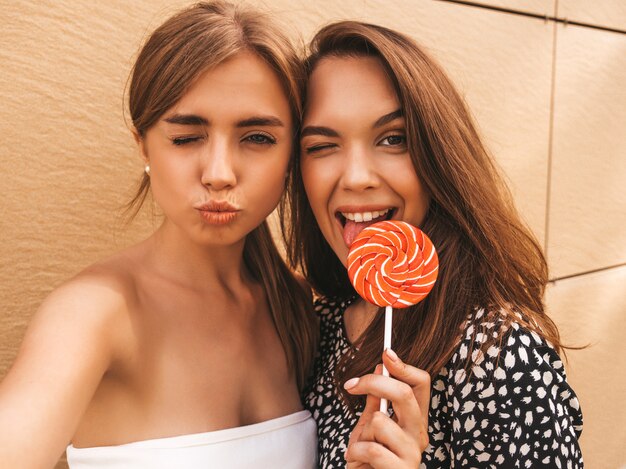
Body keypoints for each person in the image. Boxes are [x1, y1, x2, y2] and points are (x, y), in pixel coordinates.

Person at [0, 2, 318, 468]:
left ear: (292, 152)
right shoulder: (94, 314)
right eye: (187, 137)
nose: (219, 174)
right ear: (142, 144)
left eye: (257, 138)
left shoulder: (296, 304)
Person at [284, 21, 584, 468]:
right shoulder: (316, 326)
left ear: (437, 156)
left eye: (393, 139)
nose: (357, 177)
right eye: (322, 145)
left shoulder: (499, 358)